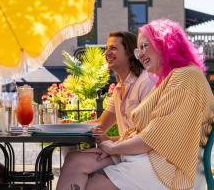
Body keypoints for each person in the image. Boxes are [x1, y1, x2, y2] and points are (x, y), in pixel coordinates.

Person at [70, 19, 214, 190]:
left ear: (164, 42)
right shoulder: (169, 79)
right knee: (77, 164)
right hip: (155, 158)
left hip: (172, 168)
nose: (141, 54)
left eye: (146, 46)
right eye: (139, 49)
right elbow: (147, 133)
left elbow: (155, 136)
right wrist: (113, 146)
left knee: (93, 183)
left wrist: (113, 147)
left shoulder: (185, 76)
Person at [57, 31, 155, 189]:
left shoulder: (146, 82)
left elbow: (149, 135)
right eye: (106, 48)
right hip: (125, 152)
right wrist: (68, 126)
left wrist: (111, 146)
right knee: (73, 160)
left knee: (92, 183)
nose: (107, 53)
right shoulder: (118, 88)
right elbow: (99, 125)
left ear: (130, 52)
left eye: (113, 48)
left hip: (144, 157)